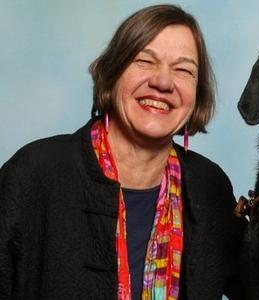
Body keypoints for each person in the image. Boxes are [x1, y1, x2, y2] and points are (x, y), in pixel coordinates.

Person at [0, 4, 245, 300]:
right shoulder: (36, 172)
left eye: (183, 70)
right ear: (112, 72)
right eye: (145, 61)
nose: (163, 82)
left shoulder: (210, 186)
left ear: (198, 93)